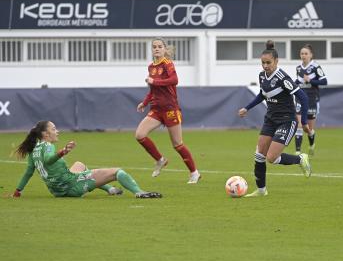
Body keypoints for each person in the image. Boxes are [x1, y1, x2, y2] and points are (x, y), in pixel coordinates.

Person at [237, 40, 312, 197]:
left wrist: (303, 122)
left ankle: (300, 159)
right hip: (270, 119)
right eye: (263, 63)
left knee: (271, 158)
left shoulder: (282, 78)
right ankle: (261, 190)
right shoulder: (262, 76)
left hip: (287, 120)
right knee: (259, 155)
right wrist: (247, 108)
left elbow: (303, 97)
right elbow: (262, 95)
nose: (265, 66)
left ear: (276, 61)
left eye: (268, 63)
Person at [11, 121, 161, 198]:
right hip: (72, 186)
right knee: (118, 172)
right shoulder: (47, 146)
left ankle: (109, 189)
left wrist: (18, 191)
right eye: (53, 129)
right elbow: (49, 160)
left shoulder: (33, 151)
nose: (57, 131)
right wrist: (63, 152)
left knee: (80, 164)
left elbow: (28, 173)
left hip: (57, 191)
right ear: (45, 134)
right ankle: (140, 192)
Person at [135, 38, 201, 184]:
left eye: (159, 46)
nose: (157, 49)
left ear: (164, 49)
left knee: (177, 144)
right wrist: (144, 103)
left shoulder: (168, 64)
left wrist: (155, 81)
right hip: (156, 109)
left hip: (170, 109)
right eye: (154, 47)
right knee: (140, 135)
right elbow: (152, 90)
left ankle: (194, 173)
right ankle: (160, 160)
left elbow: (174, 80)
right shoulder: (151, 67)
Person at [294, 44, 328, 156]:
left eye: (306, 53)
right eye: (302, 53)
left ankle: (311, 144)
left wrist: (310, 81)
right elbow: (299, 81)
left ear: (311, 55)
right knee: (299, 124)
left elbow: (324, 81)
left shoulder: (315, 67)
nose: (303, 55)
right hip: (300, 98)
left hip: (312, 99)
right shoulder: (298, 68)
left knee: (308, 128)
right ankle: (298, 151)